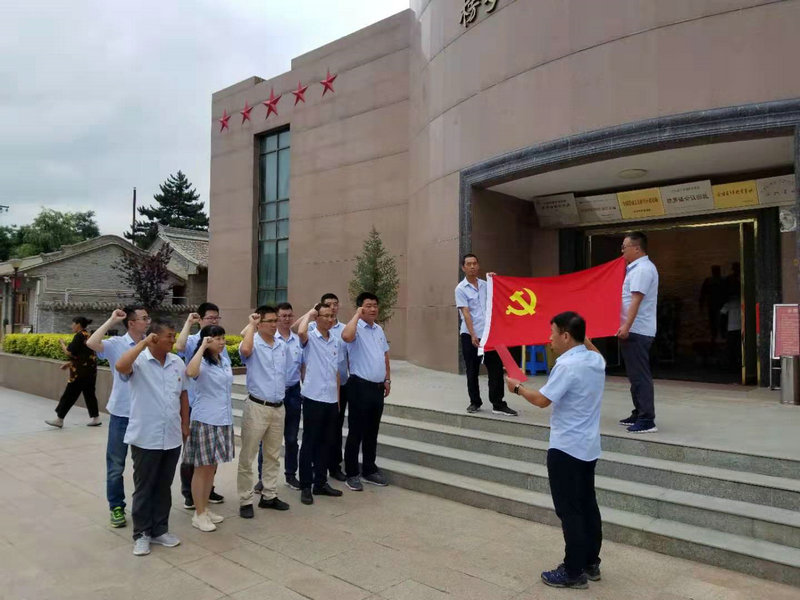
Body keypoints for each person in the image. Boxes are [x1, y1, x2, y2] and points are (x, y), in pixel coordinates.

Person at [506, 312, 604, 589]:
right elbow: (594, 350)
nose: (549, 339)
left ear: (566, 336)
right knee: (588, 505)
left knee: (569, 510)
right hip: (588, 447)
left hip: (566, 448)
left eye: (553, 333)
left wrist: (517, 388)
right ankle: (591, 562)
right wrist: (584, 338)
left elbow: (542, 400)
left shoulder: (567, 366)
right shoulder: (596, 361)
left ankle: (573, 571)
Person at [116, 319, 189, 557]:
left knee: (163, 486)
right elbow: (120, 366)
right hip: (145, 436)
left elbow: (183, 395)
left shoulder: (177, 362)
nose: (173, 340)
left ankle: (160, 529)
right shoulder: (138, 361)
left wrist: (185, 424)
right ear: (154, 337)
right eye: (169, 335)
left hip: (172, 436)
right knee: (145, 487)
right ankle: (142, 534)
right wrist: (143, 343)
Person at [86, 306, 150, 528]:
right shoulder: (117, 344)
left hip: (145, 414)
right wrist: (112, 320)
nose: (148, 321)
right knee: (116, 465)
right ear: (131, 323)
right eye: (143, 318)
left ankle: (143, 506)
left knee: (144, 466)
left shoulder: (150, 345)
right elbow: (92, 343)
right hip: (122, 414)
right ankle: (116, 506)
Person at [237, 306, 291, 518]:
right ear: (259, 324)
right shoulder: (252, 342)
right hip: (257, 407)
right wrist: (251, 325)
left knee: (272, 455)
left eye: (275, 320)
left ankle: (269, 495)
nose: (274, 324)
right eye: (270, 321)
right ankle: (245, 500)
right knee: (247, 456)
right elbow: (245, 351)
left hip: (278, 407)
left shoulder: (281, 345)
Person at [184, 325, 234, 532]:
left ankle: (204, 508)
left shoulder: (223, 360)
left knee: (211, 467)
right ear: (206, 340)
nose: (222, 342)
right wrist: (202, 348)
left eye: (223, 338)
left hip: (223, 419)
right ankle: (198, 513)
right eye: (217, 338)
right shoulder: (201, 361)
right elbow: (190, 372)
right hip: (205, 419)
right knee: (202, 468)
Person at [175, 303, 226, 509]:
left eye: (216, 317)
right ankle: (189, 493)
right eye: (210, 318)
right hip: (194, 404)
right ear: (201, 319)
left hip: (216, 409)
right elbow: (179, 347)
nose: (214, 320)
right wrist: (188, 323)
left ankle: (207, 490)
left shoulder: (219, 343)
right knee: (192, 453)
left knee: (211, 455)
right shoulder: (194, 340)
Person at [455, 253, 518, 416]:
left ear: (478, 265)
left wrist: (495, 281)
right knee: (472, 369)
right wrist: (473, 334)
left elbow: (499, 299)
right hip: (470, 335)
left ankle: (498, 403)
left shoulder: (486, 285)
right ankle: (475, 402)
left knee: (495, 368)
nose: (472, 266)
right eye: (468, 264)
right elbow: (466, 313)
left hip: (490, 334)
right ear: (463, 268)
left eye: (475, 263)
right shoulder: (460, 289)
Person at [340, 292, 391, 491]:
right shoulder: (355, 328)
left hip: (377, 388)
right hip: (359, 386)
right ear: (360, 308)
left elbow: (385, 355)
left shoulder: (378, 329)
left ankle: (369, 469)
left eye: (375, 305)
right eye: (368, 306)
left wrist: (387, 379)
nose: (373, 309)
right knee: (356, 431)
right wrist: (356, 315)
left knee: (372, 431)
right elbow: (346, 337)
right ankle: (352, 473)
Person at [296, 303, 344, 505]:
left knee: (327, 442)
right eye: (326, 316)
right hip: (313, 398)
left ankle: (321, 483)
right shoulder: (310, 337)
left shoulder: (335, 341)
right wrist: (310, 312)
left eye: (332, 316)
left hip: (331, 399)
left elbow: (336, 372)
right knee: (310, 442)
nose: (330, 320)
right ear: (317, 318)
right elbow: (300, 331)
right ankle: (306, 485)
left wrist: (338, 400)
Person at [255, 302, 304, 493]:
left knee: (291, 438)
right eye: (282, 316)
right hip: (272, 395)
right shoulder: (267, 339)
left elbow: (303, 367)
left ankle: (290, 475)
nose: (286, 319)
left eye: (289, 316)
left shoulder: (298, 340)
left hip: (293, 392)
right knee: (266, 440)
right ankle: (262, 478)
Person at [617, 232, 659, 434]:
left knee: (640, 375)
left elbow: (636, 300)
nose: (622, 251)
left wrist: (626, 326)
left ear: (636, 248)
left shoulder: (642, 269)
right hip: (634, 329)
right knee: (634, 375)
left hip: (637, 330)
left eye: (624, 247)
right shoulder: (636, 268)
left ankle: (647, 419)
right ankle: (638, 411)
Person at [46, 316, 100, 428]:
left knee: (69, 394)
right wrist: (69, 364)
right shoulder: (88, 335)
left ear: (78, 324)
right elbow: (84, 356)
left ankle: (59, 419)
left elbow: (69, 352)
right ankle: (96, 418)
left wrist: (62, 343)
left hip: (79, 373)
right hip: (90, 371)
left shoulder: (79, 336)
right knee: (89, 394)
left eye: (73, 324)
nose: (72, 326)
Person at [699, 265, 727, 341]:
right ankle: (720, 336)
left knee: (715, 321)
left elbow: (703, 293)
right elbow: (703, 293)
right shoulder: (723, 280)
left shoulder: (709, 280)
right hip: (718, 303)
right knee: (720, 321)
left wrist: (701, 304)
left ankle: (716, 336)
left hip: (714, 303)